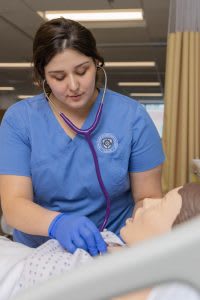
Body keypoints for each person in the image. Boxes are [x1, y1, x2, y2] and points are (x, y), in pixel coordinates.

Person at [0, 17, 164, 256]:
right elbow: (14, 204)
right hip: (39, 249)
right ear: (42, 76)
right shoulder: (20, 121)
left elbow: (148, 198)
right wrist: (57, 224)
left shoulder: (132, 118)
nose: (74, 85)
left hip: (114, 245)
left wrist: (126, 246)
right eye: (58, 77)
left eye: (82, 70)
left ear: (97, 63)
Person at [1, 182, 200, 300]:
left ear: (176, 243)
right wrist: (56, 223)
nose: (147, 202)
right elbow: (13, 203)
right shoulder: (121, 252)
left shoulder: (126, 283)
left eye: (162, 203)